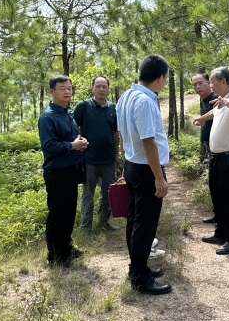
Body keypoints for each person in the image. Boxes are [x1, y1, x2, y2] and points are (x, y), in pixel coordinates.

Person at [116, 54, 172, 295]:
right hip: (146, 169)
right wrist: (159, 177)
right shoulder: (145, 101)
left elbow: (122, 134)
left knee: (135, 220)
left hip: (133, 165)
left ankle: (137, 267)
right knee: (145, 224)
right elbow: (148, 141)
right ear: (160, 78)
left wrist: (124, 164)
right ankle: (140, 277)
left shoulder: (126, 96)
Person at [195, 66, 229, 255]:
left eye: (213, 82)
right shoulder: (219, 101)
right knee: (217, 197)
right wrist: (202, 118)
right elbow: (213, 113)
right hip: (217, 159)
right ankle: (220, 233)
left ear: (223, 81)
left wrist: (226, 102)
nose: (211, 86)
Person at [38, 75, 88, 267]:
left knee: (68, 213)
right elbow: (49, 145)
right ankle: (56, 256)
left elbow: (71, 137)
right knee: (58, 214)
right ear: (52, 91)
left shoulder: (68, 113)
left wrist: (80, 142)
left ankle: (66, 248)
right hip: (57, 172)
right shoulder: (48, 116)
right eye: (62, 88)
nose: (67, 92)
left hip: (71, 170)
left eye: (69, 88)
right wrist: (71, 146)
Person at [73, 75, 121, 233]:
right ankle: (86, 228)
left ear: (108, 89)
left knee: (108, 193)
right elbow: (73, 129)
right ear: (92, 88)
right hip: (89, 160)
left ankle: (103, 222)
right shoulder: (83, 106)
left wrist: (116, 154)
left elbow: (115, 132)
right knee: (88, 195)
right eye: (98, 86)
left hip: (108, 159)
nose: (101, 89)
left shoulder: (113, 108)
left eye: (104, 86)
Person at [191, 71, 217, 224]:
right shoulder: (203, 100)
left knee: (216, 183)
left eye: (200, 83)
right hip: (207, 146)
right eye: (194, 85)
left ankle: (219, 215)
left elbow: (217, 113)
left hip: (217, 148)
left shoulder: (214, 99)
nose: (197, 87)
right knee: (212, 183)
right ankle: (216, 213)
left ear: (209, 83)